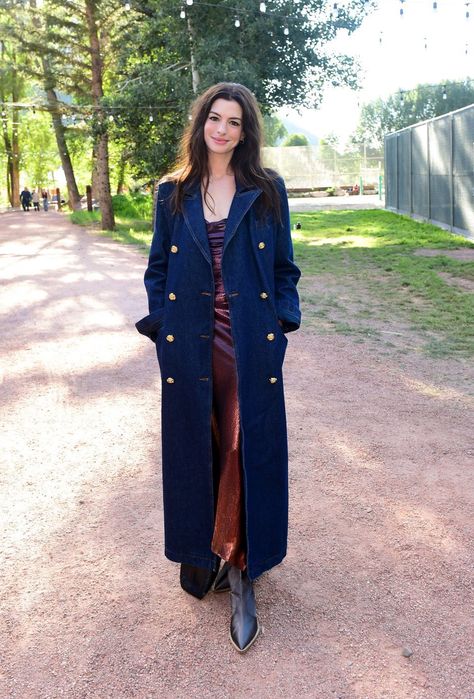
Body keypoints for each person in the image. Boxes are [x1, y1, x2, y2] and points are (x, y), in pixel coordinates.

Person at [136, 82, 301, 653]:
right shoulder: (173, 192)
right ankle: (203, 549)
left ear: (246, 131)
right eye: (215, 118)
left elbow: (284, 271)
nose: (223, 129)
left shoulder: (266, 190)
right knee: (198, 445)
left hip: (249, 342)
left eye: (234, 122)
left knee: (240, 445)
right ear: (201, 122)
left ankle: (241, 567)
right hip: (189, 341)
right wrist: (162, 330)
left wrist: (280, 328)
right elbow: (158, 270)